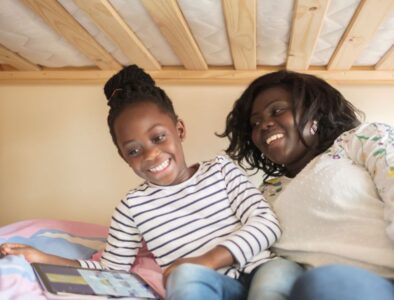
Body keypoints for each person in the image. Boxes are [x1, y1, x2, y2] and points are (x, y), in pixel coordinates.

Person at [1, 65, 296, 300]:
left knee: (278, 276)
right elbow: (109, 269)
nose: (152, 154)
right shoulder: (132, 208)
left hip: (261, 270)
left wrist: (207, 259)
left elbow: (267, 224)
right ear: (123, 156)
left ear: (179, 129)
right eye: (134, 150)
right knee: (182, 278)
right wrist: (42, 257)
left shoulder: (222, 170)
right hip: (209, 285)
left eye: (158, 138)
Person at [219, 70, 394, 300]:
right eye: (255, 122)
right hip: (306, 291)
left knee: (325, 281)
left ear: (316, 113)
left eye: (277, 110)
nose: (264, 124)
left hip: (376, 283)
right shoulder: (265, 193)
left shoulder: (360, 140)